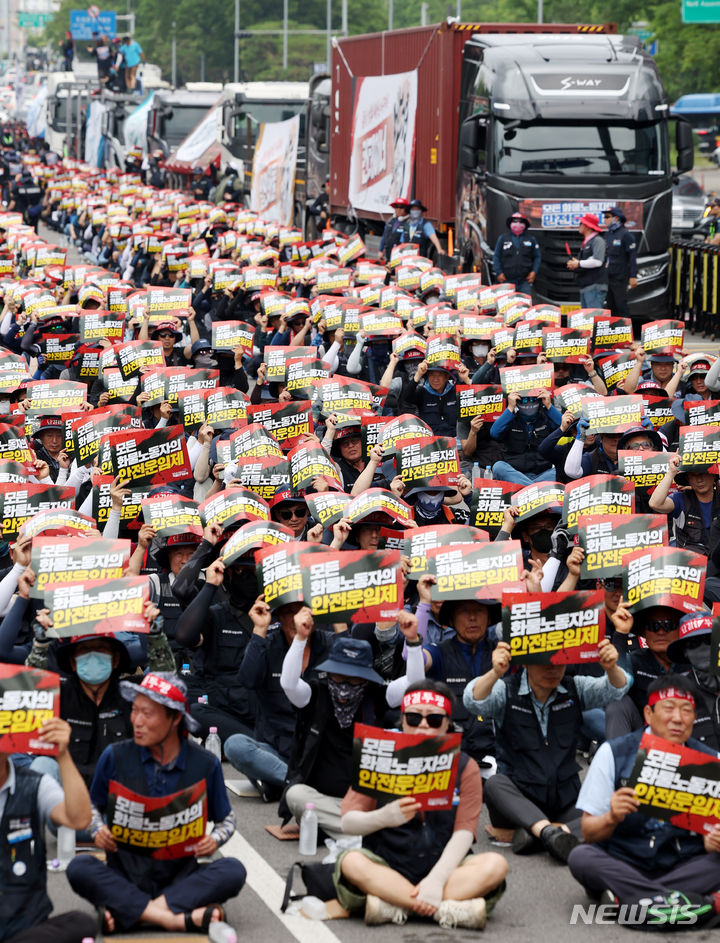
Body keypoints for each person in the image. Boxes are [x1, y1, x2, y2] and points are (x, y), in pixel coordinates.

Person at [67, 672, 246, 935]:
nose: (136, 721)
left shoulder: (205, 763)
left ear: (174, 719)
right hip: (125, 874)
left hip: (181, 877)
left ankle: (133, 912)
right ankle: (175, 918)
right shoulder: (115, 756)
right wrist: (97, 829)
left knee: (233, 870)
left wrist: (215, 840)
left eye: (147, 714)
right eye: (134, 710)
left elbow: (226, 819)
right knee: (80, 867)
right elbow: (91, 807)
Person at [335, 679, 508, 929]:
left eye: (435, 720)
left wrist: (436, 880)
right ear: (402, 720)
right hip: (388, 865)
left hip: (446, 866)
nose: (423, 726)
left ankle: (395, 905)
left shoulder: (465, 765)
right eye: (414, 719)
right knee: (351, 862)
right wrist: (384, 817)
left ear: (448, 723)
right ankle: (443, 909)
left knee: (496, 864)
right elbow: (349, 822)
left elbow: (464, 832)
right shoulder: (379, 753)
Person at [568, 674, 720, 930]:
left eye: (686, 711)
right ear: (648, 714)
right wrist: (611, 817)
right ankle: (694, 905)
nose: (677, 719)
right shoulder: (614, 753)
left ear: (694, 718)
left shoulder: (710, 761)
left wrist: (712, 838)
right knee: (581, 856)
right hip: (627, 863)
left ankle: (634, 901)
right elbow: (589, 832)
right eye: (669, 708)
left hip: (685, 864)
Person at [463, 637, 631, 863]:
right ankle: (551, 832)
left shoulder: (575, 688)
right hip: (517, 802)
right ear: (525, 662)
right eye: (544, 662)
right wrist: (494, 672)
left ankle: (538, 835)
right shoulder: (506, 690)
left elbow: (618, 688)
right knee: (494, 784)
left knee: (612, 808)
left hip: (565, 801)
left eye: (559, 662)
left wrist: (611, 667)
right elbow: (472, 701)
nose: (552, 669)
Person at [0, 716, 97, 943]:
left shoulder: (34, 784)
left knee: (82, 923)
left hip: (27, 924)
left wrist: (63, 755)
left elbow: (81, 819)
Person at [490, 388, 562, 484]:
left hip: (544, 474)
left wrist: (549, 406)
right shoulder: (510, 419)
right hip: (515, 475)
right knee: (498, 467)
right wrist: (510, 408)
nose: (528, 403)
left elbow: (566, 426)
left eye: (533, 400)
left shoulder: (547, 419)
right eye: (524, 400)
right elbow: (494, 433)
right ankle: (535, 489)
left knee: (563, 468)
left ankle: (526, 488)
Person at [492, 212, 541, 294]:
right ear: (510, 223)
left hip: (524, 281)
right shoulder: (503, 238)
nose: (518, 224)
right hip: (507, 280)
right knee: (507, 304)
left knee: (524, 304)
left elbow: (537, 257)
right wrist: (499, 272)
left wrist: (534, 272)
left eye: (521, 222)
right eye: (515, 221)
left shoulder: (531, 239)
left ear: (525, 224)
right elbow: (496, 256)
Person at [567, 213, 608, 309]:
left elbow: (598, 261)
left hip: (595, 286)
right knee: (587, 319)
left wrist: (578, 263)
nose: (579, 225)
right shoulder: (587, 242)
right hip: (586, 286)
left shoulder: (598, 240)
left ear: (588, 226)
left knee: (593, 317)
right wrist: (576, 264)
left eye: (581, 223)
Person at [603, 207, 637, 317]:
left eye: (607, 217)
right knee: (610, 307)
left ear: (616, 218)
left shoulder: (625, 235)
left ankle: (625, 332)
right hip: (609, 276)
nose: (605, 219)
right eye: (604, 217)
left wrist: (633, 276)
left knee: (621, 305)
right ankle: (612, 332)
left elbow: (632, 257)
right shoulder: (608, 234)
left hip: (620, 277)